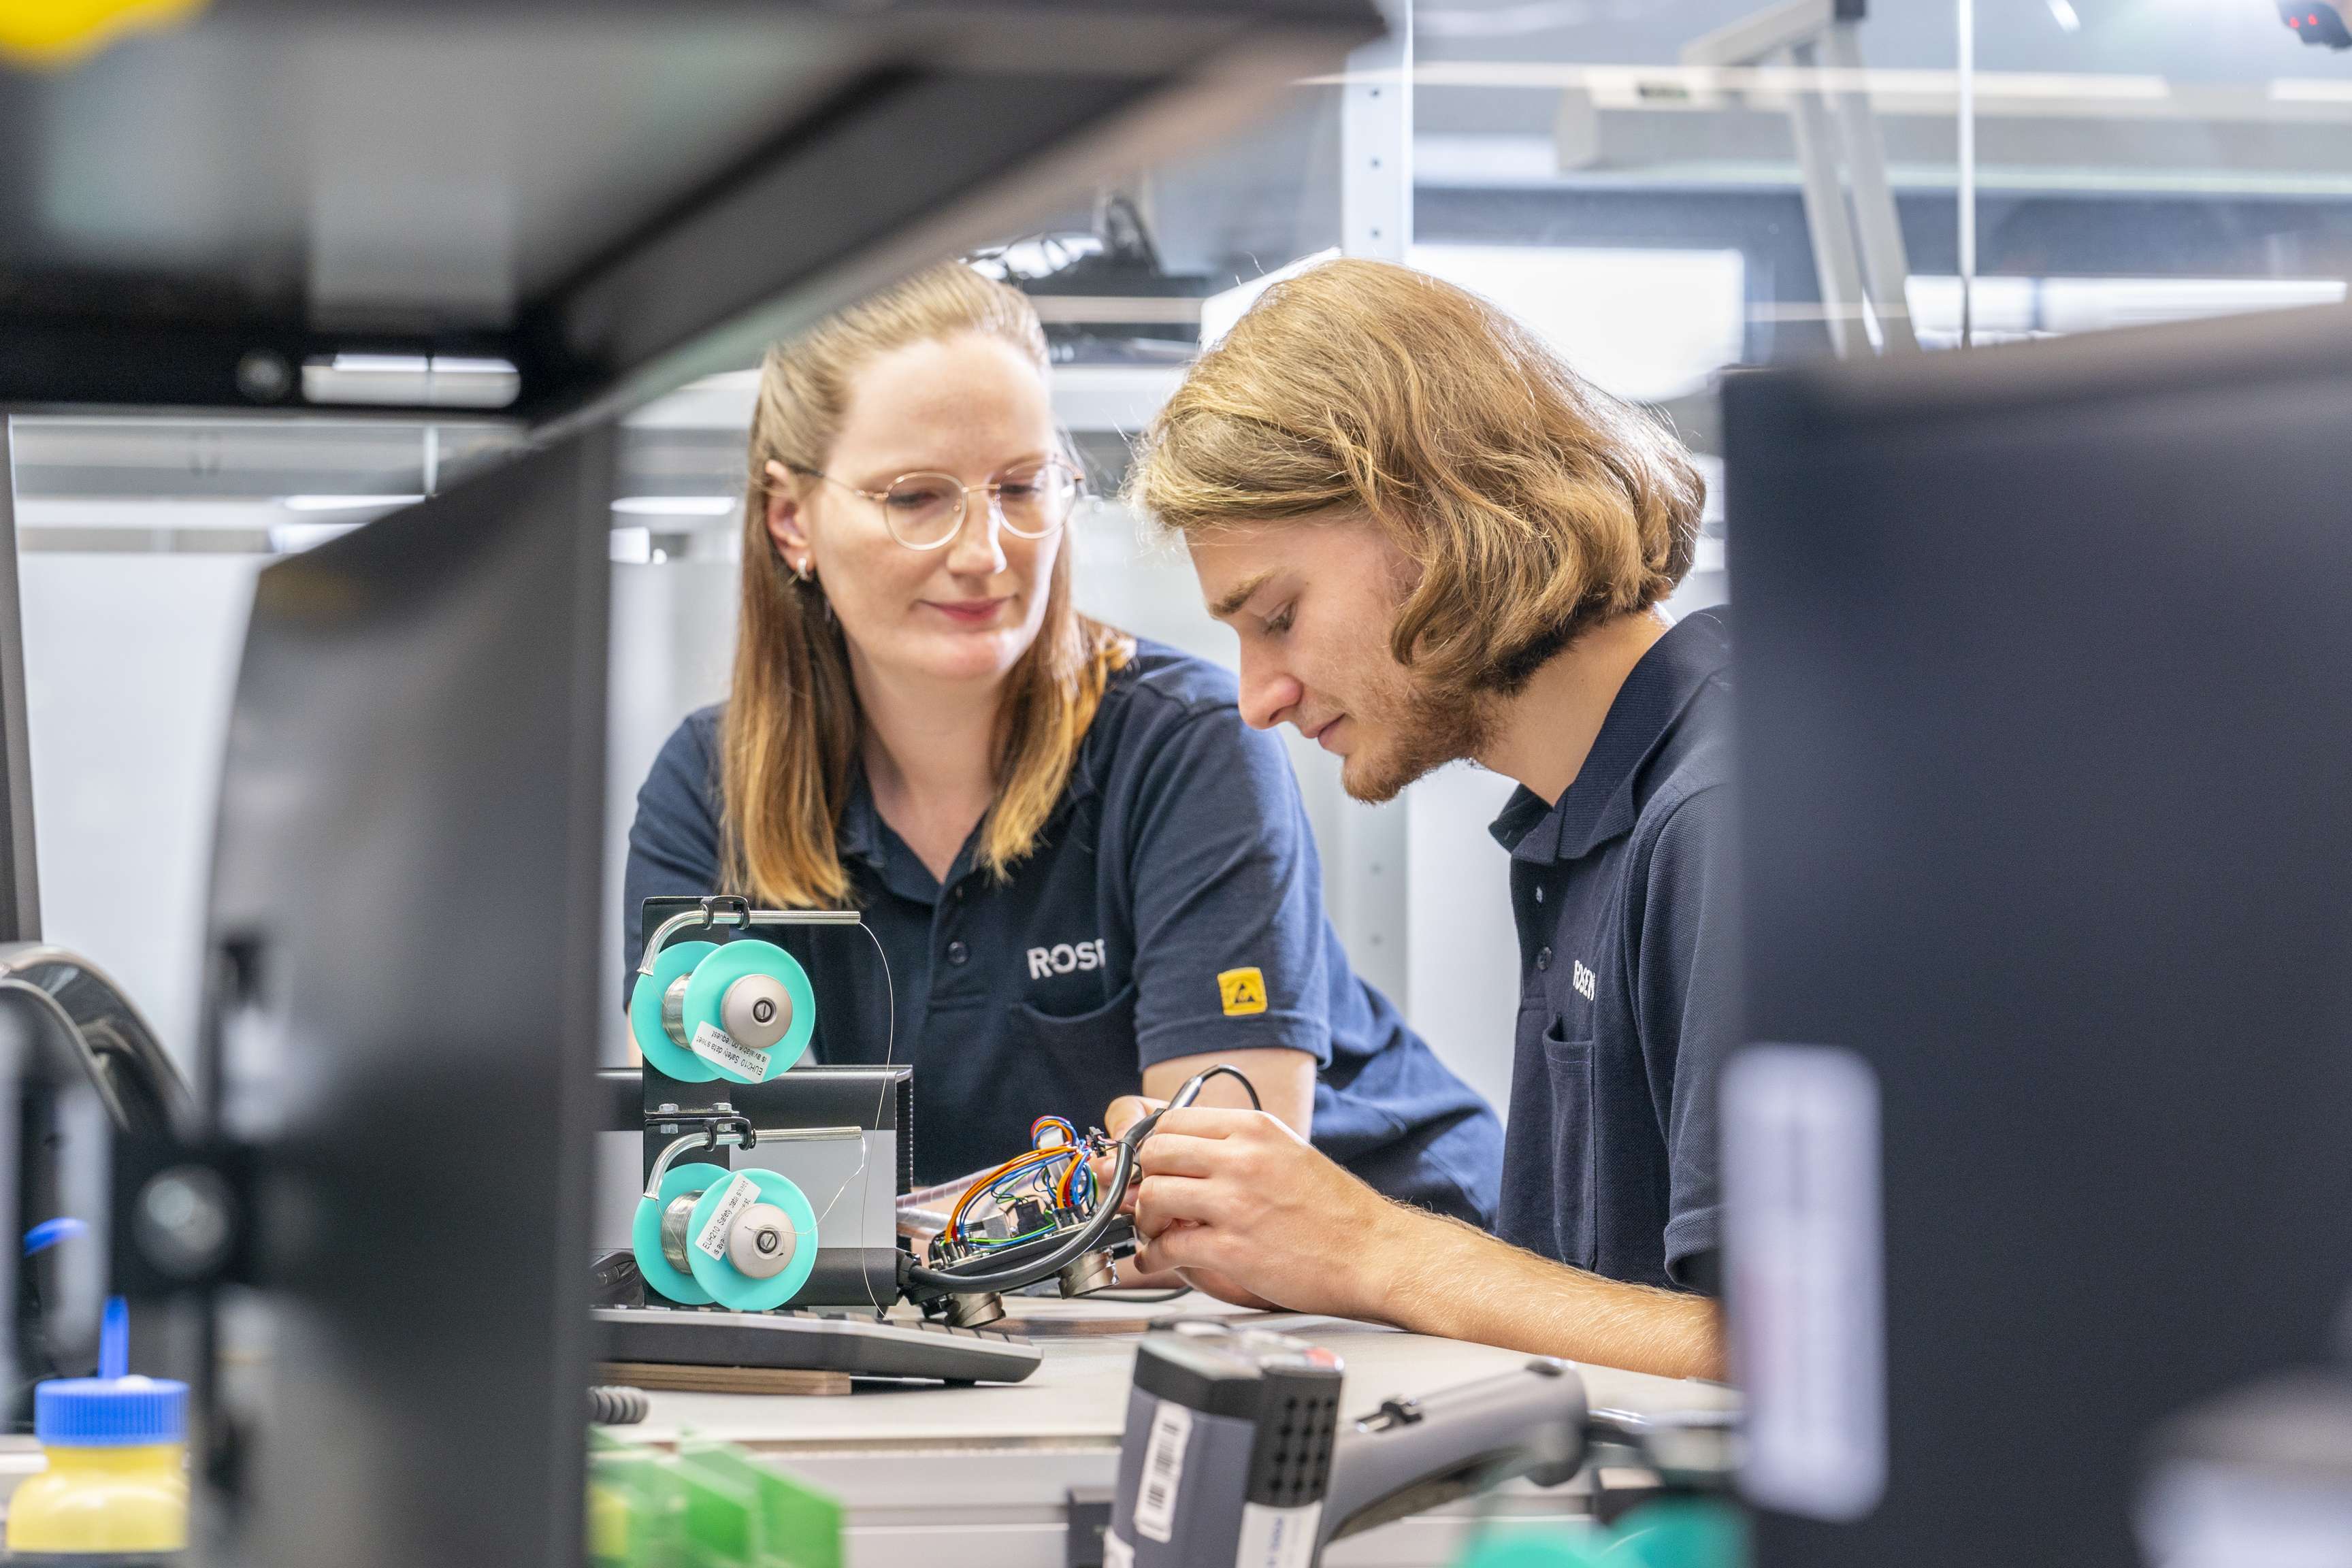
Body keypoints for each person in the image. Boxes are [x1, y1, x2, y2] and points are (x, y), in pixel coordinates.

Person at [622, 263, 1501, 1234]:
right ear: (792, 519)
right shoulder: (710, 790)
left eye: (1022, 486)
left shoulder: (1184, 747)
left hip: (1386, 1294)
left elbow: (1213, 1213)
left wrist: (887, 1228)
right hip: (1036, 1322)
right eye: (916, 497)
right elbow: (721, 1196)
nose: (984, 552)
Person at [1115, 258, 1731, 1379]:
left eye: (1279, 616)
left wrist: (1368, 1247)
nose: (1259, 696)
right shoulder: (1583, 830)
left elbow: (1784, 1362)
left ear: (1433, 517)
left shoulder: (1722, 823)